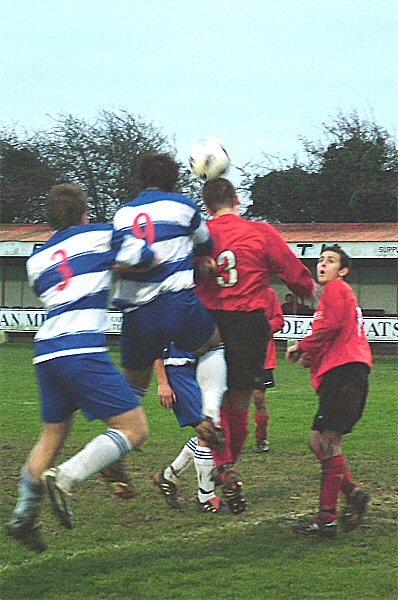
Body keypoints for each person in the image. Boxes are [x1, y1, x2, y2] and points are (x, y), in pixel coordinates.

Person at [6, 183, 155, 553]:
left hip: (46, 352)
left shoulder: (37, 259)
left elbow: (53, 286)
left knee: (51, 436)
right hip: (81, 348)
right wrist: (114, 262)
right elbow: (146, 256)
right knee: (134, 429)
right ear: (84, 213)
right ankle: (68, 477)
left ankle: (24, 513)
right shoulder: (101, 234)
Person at [195, 177, 316, 513]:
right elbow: (293, 272)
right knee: (240, 402)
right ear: (237, 199)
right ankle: (230, 463)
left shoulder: (200, 234)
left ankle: (223, 462)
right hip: (249, 323)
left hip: (209, 324)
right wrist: (308, 288)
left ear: (206, 206)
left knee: (213, 402)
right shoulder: (259, 232)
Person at [111, 153, 225, 449]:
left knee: (134, 385)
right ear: (174, 180)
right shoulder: (184, 205)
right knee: (213, 343)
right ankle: (210, 415)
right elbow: (206, 245)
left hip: (136, 312)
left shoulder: (122, 214)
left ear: (142, 180)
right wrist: (197, 266)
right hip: (176, 303)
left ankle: (112, 444)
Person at [286, 244, 372, 538]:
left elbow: (330, 328)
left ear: (343, 270)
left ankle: (326, 520)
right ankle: (352, 492)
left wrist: (302, 346)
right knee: (317, 441)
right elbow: (334, 332)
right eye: (320, 260)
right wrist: (312, 355)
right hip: (348, 373)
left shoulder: (336, 289)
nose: (322, 265)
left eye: (331, 261)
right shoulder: (338, 295)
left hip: (345, 374)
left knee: (328, 442)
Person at [153, 342, 226, 513]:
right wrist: (163, 382)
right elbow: (154, 343)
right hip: (179, 370)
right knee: (208, 430)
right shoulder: (170, 315)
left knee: (212, 429)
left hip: (203, 366)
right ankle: (206, 496)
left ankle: (168, 476)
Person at [253, 288, 285, 453]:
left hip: (262, 358)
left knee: (259, 398)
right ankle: (229, 438)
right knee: (233, 398)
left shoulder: (270, 294)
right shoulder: (235, 291)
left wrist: (262, 327)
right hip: (238, 355)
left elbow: (279, 320)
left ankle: (262, 438)